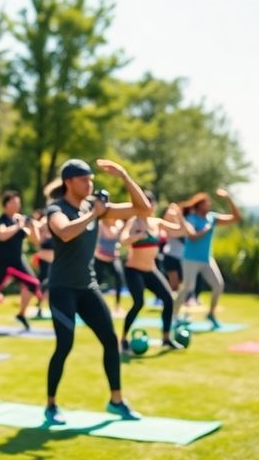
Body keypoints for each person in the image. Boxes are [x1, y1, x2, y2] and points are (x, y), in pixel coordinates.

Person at [43, 159, 150, 425]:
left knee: (110, 341)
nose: (89, 184)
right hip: (61, 288)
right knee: (65, 345)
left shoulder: (95, 207)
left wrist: (125, 175)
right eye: (84, 179)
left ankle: (116, 401)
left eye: (91, 179)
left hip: (86, 286)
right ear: (69, 182)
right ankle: (51, 405)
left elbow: (143, 209)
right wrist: (93, 214)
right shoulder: (57, 209)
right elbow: (65, 232)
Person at [119, 191, 186, 351]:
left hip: (151, 270)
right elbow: (123, 240)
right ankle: (123, 339)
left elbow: (181, 231)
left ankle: (166, 338)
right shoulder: (134, 222)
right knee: (138, 303)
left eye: (150, 205)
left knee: (169, 299)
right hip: (133, 270)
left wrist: (179, 214)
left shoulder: (157, 222)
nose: (148, 208)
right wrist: (137, 236)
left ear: (154, 206)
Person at [0, 191, 42, 333]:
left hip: (18, 260)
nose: (16, 205)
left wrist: (33, 226)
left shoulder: (22, 221)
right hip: (1, 262)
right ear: (5, 205)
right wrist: (19, 225)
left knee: (33, 284)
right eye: (13, 202)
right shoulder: (0, 220)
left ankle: (21, 314)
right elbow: (2, 235)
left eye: (18, 202)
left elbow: (36, 241)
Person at [176, 189, 241, 328]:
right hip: (190, 259)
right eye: (206, 203)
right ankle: (174, 316)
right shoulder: (191, 219)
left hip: (206, 259)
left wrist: (228, 198)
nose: (209, 205)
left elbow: (236, 217)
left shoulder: (212, 217)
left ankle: (211, 313)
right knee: (187, 288)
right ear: (199, 206)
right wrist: (206, 228)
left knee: (218, 285)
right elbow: (192, 237)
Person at [93, 214, 126, 313]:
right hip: (100, 258)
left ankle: (117, 306)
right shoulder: (100, 225)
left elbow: (121, 240)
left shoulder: (118, 224)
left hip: (113, 258)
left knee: (119, 278)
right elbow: (96, 243)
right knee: (96, 282)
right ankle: (95, 306)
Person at [31, 207, 54, 318]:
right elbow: (39, 242)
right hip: (45, 260)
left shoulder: (49, 222)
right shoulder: (45, 222)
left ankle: (41, 305)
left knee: (48, 283)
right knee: (44, 282)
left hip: (51, 259)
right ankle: (40, 305)